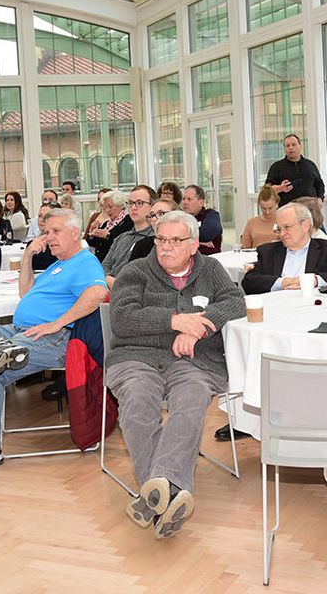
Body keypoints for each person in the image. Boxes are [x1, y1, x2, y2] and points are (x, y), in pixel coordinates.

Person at [107, 210, 246, 539]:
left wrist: (199, 328)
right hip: (136, 357)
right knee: (138, 399)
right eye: (160, 239)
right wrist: (175, 321)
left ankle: (157, 492)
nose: (165, 247)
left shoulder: (210, 270)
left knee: (192, 396)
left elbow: (235, 302)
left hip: (194, 359)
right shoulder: (135, 271)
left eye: (175, 240)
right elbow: (122, 318)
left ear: (194, 244)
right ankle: (168, 491)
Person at [0, 208, 107, 473]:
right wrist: (28, 255)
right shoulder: (57, 265)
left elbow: (97, 293)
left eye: (56, 231)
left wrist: (57, 323)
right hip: (20, 334)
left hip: (53, 339)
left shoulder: (84, 262)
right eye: (47, 232)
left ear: (75, 233)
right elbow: (25, 293)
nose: (49, 237)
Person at [241, 202, 327, 295]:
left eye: (287, 227)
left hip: (314, 308)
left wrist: (316, 280)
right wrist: (282, 282)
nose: (282, 234)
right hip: (277, 308)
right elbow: (249, 282)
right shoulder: (268, 251)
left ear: (305, 225)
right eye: (279, 229)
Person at [104, 185, 157, 287]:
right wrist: (108, 280)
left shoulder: (156, 240)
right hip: (109, 288)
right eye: (130, 203)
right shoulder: (121, 238)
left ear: (152, 206)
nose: (133, 208)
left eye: (139, 203)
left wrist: (115, 283)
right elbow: (104, 266)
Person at [264, 134, 325, 205]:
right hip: (286, 209)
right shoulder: (276, 167)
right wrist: (280, 188)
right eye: (287, 145)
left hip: (310, 208)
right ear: (284, 149)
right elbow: (267, 190)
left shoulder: (310, 165)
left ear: (300, 146)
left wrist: (320, 199)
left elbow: (319, 184)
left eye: (294, 144)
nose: (291, 147)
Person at [87, 190, 131, 262]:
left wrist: (107, 236)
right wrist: (92, 235)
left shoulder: (128, 221)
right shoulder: (106, 223)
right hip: (99, 261)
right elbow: (92, 244)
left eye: (110, 207)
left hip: (114, 263)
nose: (107, 210)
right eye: (105, 207)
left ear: (120, 205)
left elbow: (123, 245)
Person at [181, 185, 222, 255]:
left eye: (189, 199)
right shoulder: (180, 217)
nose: (185, 202)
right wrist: (200, 242)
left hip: (208, 258)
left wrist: (182, 239)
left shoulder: (211, 215)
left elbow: (207, 234)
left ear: (201, 202)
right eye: (183, 199)